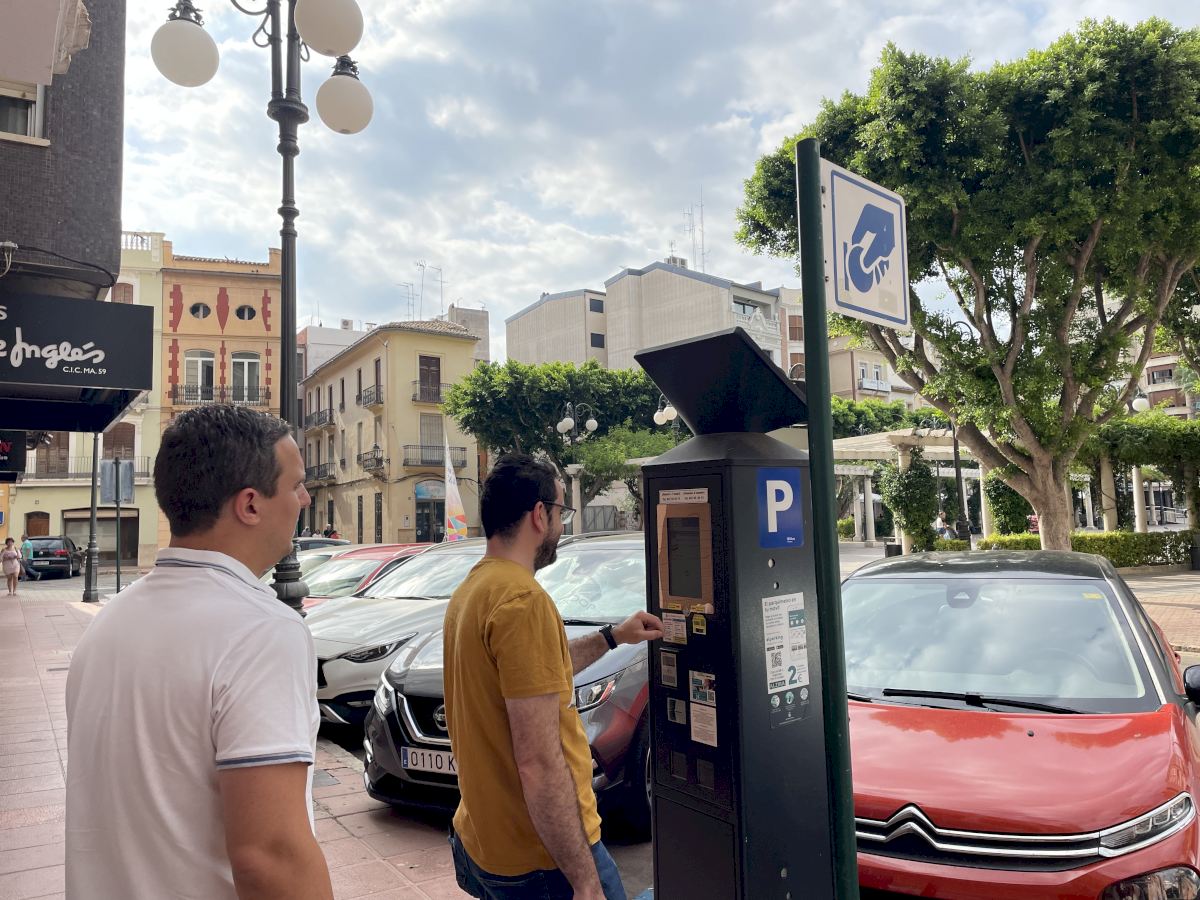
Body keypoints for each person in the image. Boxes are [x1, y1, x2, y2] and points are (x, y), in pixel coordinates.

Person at [65, 405, 330, 900]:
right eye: (295, 485)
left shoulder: (110, 622)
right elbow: (272, 856)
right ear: (250, 505)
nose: (305, 498)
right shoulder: (260, 631)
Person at [444, 453, 664, 900]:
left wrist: (613, 636)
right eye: (562, 512)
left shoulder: (474, 590)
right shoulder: (523, 601)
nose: (562, 526)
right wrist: (584, 880)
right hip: (541, 860)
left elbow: (536, 671)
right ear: (540, 515)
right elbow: (539, 764)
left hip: (482, 841)